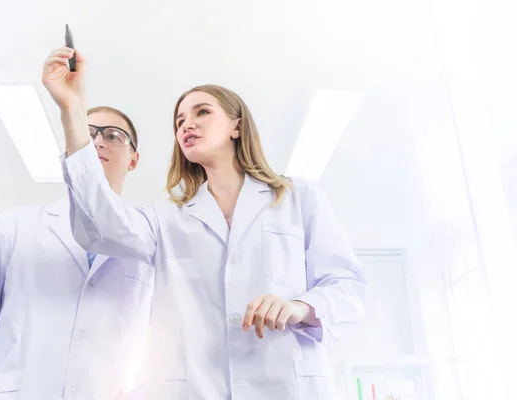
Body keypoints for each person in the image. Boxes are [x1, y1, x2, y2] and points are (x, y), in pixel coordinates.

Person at [47, 46, 367, 399]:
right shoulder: (165, 217)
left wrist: (299, 307)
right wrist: (72, 110)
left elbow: (347, 288)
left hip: (286, 386)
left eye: (202, 112)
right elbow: (99, 225)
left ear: (236, 126)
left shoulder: (298, 199)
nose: (187, 124)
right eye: (180, 120)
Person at [0, 101, 153, 399]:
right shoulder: (15, 227)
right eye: (87, 133)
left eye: (113, 136)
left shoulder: (148, 245)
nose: (96, 142)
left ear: (134, 159)